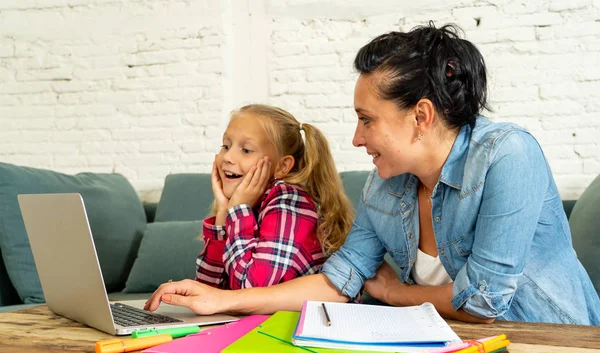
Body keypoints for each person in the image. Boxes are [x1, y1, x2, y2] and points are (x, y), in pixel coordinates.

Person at [146, 23, 600, 325]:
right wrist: (220, 300)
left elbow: (484, 303)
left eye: (367, 120)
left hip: (554, 348)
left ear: (420, 116)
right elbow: (338, 281)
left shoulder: (508, 155)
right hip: (449, 349)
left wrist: (394, 293)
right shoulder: (385, 183)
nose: (356, 139)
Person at [193, 104, 354, 290]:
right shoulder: (247, 204)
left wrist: (238, 210)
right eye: (226, 146)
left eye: (246, 150)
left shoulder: (289, 202)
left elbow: (251, 291)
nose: (228, 157)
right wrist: (223, 212)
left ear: (282, 166)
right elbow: (207, 290)